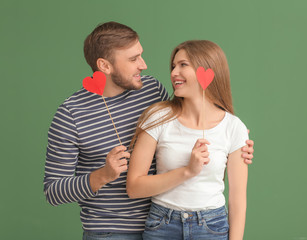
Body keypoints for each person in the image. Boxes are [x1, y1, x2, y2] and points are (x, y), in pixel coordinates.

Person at [43, 22, 254, 240]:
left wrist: (233, 140)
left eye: (140, 55)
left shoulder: (151, 90)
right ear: (105, 66)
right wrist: (102, 175)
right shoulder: (71, 114)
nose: (143, 65)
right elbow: (53, 191)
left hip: (158, 223)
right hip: (111, 232)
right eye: (133, 59)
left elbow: (184, 123)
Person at [127, 40, 249, 240]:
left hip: (211, 227)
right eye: (173, 66)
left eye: (183, 65)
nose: (174, 72)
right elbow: (134, 187)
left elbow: (237, 201)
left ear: (208, 70)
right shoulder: (158, 117)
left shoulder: (234, 128)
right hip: (162, 225)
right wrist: (187, 171)